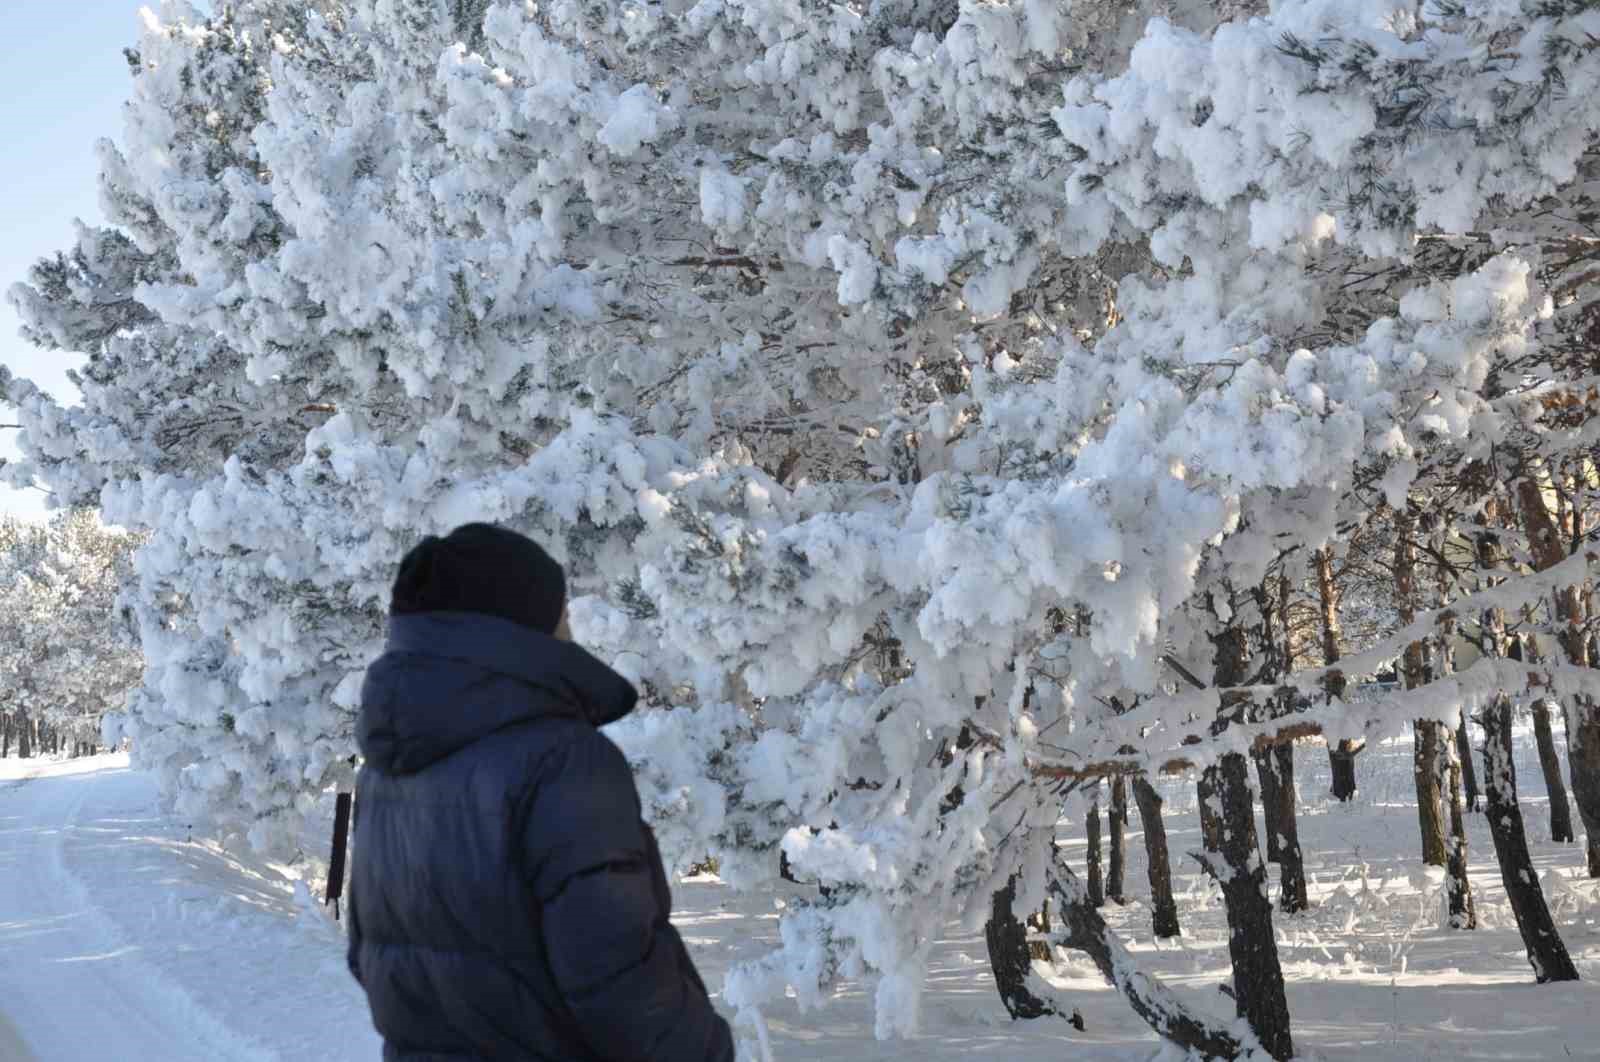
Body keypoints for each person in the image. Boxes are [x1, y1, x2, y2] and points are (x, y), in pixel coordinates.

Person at [347, 522, 735, 1061]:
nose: (569, 627)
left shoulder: (387, 766)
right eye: (560, 612)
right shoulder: (563, 763)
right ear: (519, 629)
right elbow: (621, 979)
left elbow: (370, 957)